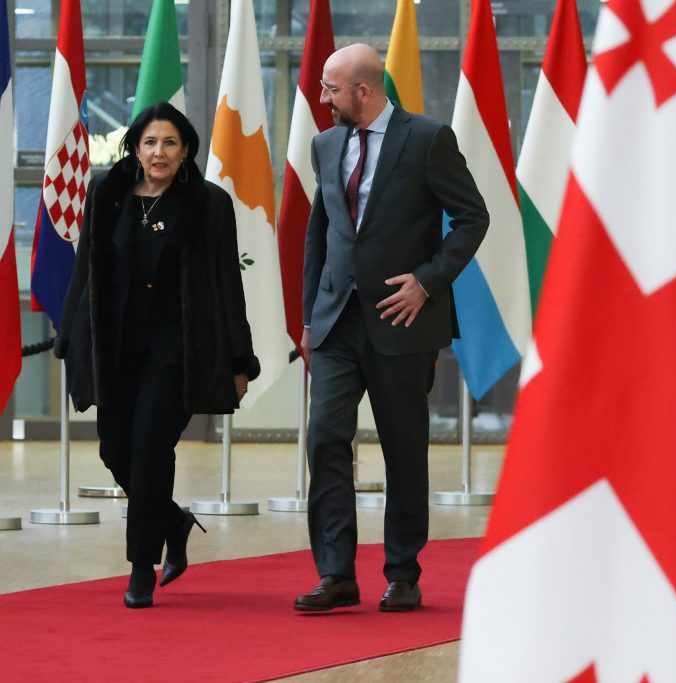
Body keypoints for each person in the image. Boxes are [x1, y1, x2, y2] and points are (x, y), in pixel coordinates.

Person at [295, 44, 488, 613]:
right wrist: (308, 316)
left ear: (362, 91)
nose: (322, 99)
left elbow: (473, 216)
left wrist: (428, 282)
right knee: (326, 438)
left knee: (403, 449)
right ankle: (336, 574)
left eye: (331, 89)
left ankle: (403, 572)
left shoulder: (428, 140)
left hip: (401, 320)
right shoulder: (324, 145)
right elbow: (320, 234)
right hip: (335, 323)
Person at [54, 102, 260, 609]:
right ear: (135, 148)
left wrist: (240, 360)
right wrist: (68, 337)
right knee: (113, 451)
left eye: (170, 143)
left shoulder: (207, 203)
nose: (159, 152)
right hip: (117, 348)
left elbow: (226, 284)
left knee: (149, 452)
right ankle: (171, 520)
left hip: (175, 355)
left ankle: (141, 568)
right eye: (150, 142)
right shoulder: (109, 192)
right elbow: (86, 269)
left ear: (185, 149)